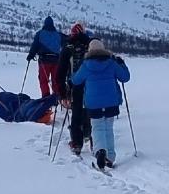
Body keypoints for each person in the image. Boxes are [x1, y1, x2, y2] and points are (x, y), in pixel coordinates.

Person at [69, 38, 130, 170]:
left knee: (97, 129)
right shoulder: (112, 63)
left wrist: (72, 76)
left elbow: (76, 81)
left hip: (93, 104)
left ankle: (100, 152)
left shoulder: (86, 65)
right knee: (108, 128)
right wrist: (122, 64)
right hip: (111, 103)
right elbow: (125, 77)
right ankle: (110, 157)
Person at [55, 22, 95, 156]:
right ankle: (92, 137)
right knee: (91, 110)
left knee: (76, 111)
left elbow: (60, 73)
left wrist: (61, 92)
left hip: (74, 84)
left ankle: (77, 143)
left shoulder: (67, 48)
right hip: (92, 84)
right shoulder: (91, 46)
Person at [26, 16, 65, 98]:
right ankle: (57, 98)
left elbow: (35, 46)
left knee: (43, 80)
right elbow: (66, 41)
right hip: (56, 61)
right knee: (55, 80)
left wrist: (30, 55)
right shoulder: (58, 35)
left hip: (44, 61)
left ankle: (46, 98)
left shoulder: (40, 34)